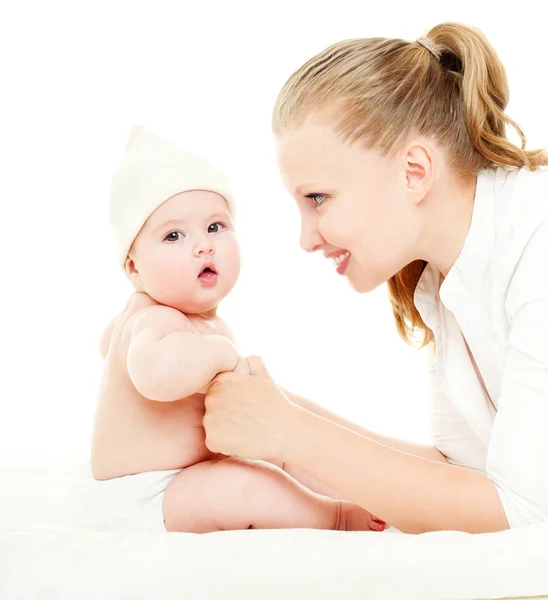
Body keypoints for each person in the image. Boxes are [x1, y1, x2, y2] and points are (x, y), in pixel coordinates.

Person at [202, 22, 548, 534]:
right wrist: (283, 418)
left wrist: (291, 433)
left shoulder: (535, 244)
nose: (307, 238)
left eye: (318, 198)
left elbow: (526, 516)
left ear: (414, 171)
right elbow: (464, 479)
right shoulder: (444, 278)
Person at [89, 125, 385, 533]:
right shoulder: (154, 319)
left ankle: (361, 494)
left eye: (215, 227)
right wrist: (219, 355)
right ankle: (333, 516)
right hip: (144, 493)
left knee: (280, 452)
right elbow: (155, 375)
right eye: (174, 235)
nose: (203, 246)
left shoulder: (182, 319)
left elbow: (109, 344)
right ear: (134, 269)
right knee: (243, 485)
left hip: (188, 477)